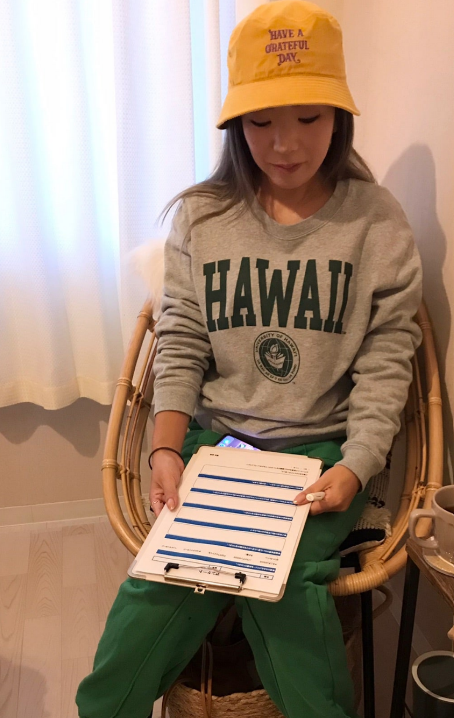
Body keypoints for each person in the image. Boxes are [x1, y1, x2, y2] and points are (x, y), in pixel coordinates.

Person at [76, 2, 422, 717]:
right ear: (236, 124)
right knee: (159, 588)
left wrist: (357, 464)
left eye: (308, 117)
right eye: (261, 122)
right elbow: (180, 342)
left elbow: (389, 360)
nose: (284, 144)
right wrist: (164, 450)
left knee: (288, 588)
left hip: (320, 454)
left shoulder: (376, 221)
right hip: (217, 447)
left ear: (338, 116)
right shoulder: (202, 217)